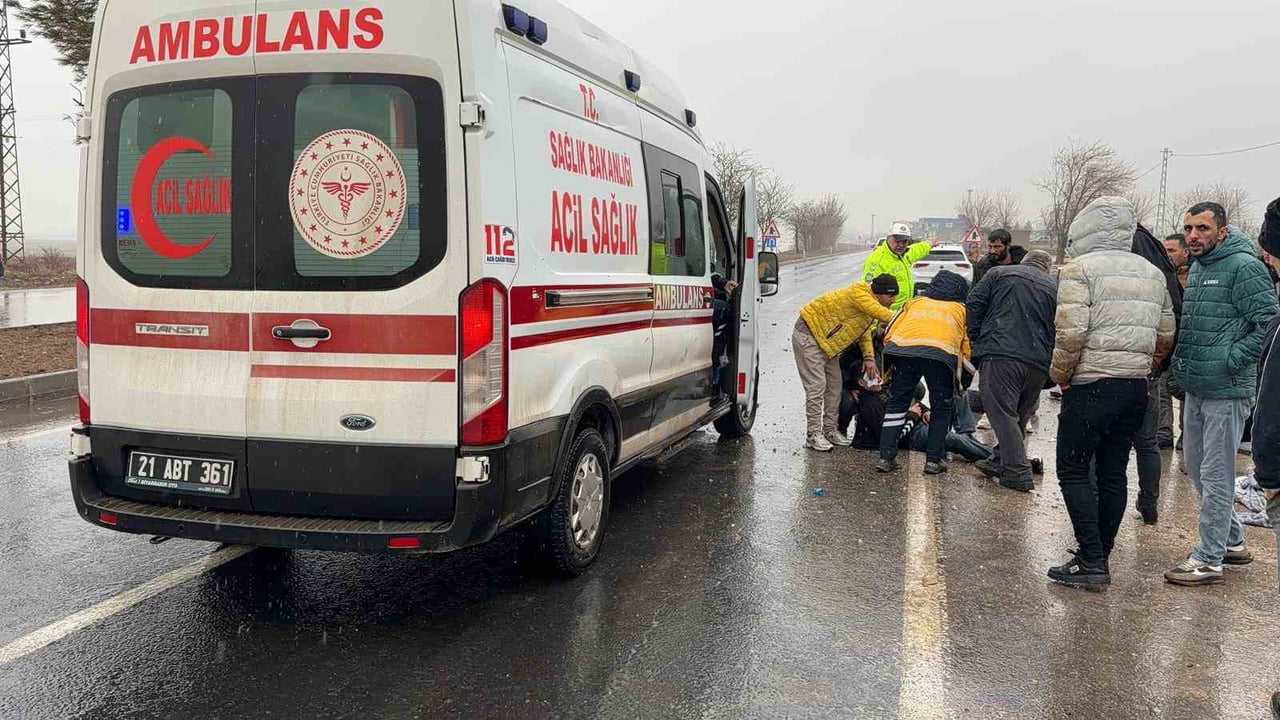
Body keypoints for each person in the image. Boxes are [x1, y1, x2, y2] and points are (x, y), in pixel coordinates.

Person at [1047, 197, 1175, 589]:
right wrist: (1145, 368)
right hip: (1135, 386)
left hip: (1090, 383)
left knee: (1073, 469)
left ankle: (1089, 558)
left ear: (1083, 229)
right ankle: (1100, 555)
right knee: (1113, 471)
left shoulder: (1079, 269)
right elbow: (1166, 333)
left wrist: (1061, 376)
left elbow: (1071, 333)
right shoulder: (1152, 273)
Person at [1165, 202, 1279, 587]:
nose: (1193, 236)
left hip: (1227, 391)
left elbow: (1267, 323)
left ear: (1223, 230)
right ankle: (1231, 540)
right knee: (1196, 468)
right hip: (1197, 386)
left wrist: (1232, 359)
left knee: (1216, 474)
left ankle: (1209, 558)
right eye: (1188, 228)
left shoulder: (1244, 267)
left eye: (1202, 228)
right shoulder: (1199, 266)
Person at [966, 248, 1057, 492]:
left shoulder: (998, 274)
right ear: (1047, 268)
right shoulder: (1055, 287)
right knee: (1020, 413)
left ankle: (1017, 471)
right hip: (1038, 362)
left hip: (1001, 353)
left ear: (1024, 262)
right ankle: (1000, 460)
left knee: (1001, 412)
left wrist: (977, 337)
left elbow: (974, 302)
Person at [875, 269, 971, 475]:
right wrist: (963, 380)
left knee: (897, 405)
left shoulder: (914, 303)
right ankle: (934, 461)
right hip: (940, 357)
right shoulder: (961, 309)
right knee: (941, 408)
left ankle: (886, 457)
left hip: (904, 353)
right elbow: (967, 345)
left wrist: (891, 359)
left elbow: (890, 329)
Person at [792, 274, 898, 452]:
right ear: (879, 293)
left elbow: (862, 330)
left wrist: (869, 357)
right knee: (817, 387)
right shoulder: (861, 294)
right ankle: (813, 434)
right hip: (809, 335)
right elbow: (884, 315)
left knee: (835, 386)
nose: (893, 300)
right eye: (891, 296)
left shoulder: (867, 305)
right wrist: (909, 319)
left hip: (828, 344)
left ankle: (830, 430)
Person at [1129, 223, 1185, 524]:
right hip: (1146, 372)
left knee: (1106, 444)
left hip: (1111, 371)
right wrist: (1156, 364)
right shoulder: (1163, 273)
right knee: (1147, 443)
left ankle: (1099, 503)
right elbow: (1172, 322)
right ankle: (1149, 503)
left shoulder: (1118, 265)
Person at [850, 379, 993, 461]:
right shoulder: (869, 404)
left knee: (957, 393)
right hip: (912, 434)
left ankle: (968, 437)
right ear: (861, 382)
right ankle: (993, 457)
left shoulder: (881, 390)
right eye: (870, 373)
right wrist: (912, 416)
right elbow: (888, 437)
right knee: (951, 439)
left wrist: (925, 411)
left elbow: (908, 399)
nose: (876, 375)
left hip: (918, 422)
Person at [861, 222, 937, 311]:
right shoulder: (877, 260)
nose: (901, 245)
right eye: (897, 241)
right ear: (888, 238)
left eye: (904, 241)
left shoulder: (903, 255)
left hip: (903, 312)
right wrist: (880, 318)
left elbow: (916, 250)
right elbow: (867, 293)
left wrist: (929, 243)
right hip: (887, 315)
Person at [1159, 233, 1191, 449]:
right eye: (1165, 250)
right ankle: (1163, 432)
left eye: (1172, 250)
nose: (1168, 255)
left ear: (1185, 252)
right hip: (1168, 341)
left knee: (1185, 391)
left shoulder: (1196, 275)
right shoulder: (1163, 275)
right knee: (1162, 388)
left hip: (1188, 343)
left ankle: (1186, 435)